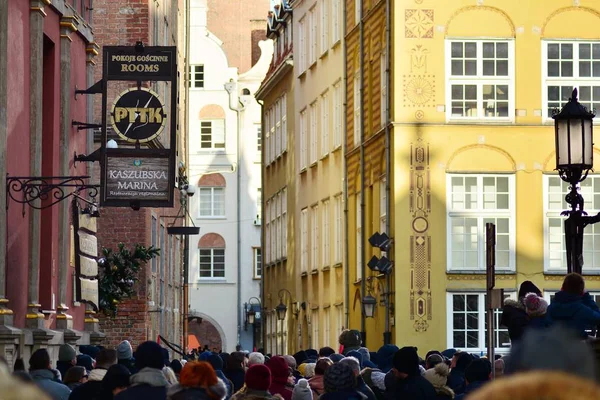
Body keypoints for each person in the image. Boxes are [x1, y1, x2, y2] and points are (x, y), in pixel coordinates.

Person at [547, 272, 600, 338]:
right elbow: (598, 318)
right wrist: (587, 297)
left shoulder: (550, 308)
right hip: (575, 346)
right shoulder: (581, 309)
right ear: (581, 291)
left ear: (562, 287)